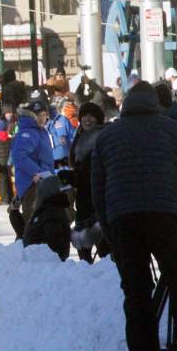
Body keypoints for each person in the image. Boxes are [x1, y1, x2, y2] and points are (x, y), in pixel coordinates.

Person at [91, 81, 177, 351]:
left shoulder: (107, 136)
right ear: (155, 104)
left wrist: (109, 229)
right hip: (165, 216)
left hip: (122, 219)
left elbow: (97, 189)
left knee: (136, 291)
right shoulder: (170, 128)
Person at [68, 102, 108, 263]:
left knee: (103, 240)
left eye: (92, 116)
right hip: (83, 196)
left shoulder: (102, 137)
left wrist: (76, 177)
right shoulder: (79, 135)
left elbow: (94, 168)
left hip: (99, 194)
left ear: (98, 119)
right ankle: (88, 272)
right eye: (85, 116)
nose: (88, 119)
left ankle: (105, 272)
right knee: (83, 244)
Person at [10, 97, 55, 232]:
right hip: (32, 185)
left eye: (44, 115)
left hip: (43, 182)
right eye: (38, 115)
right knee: (34, 225)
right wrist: (38, 173)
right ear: (32, 116)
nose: (42, 118)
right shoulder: (29, 132)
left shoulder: (40, 131)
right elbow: (20, 157)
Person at [46, 98, 77, 167]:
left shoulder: (61, 120)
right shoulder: (49, 123)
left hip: (64, 156)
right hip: (55, 157)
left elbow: (66, 139)